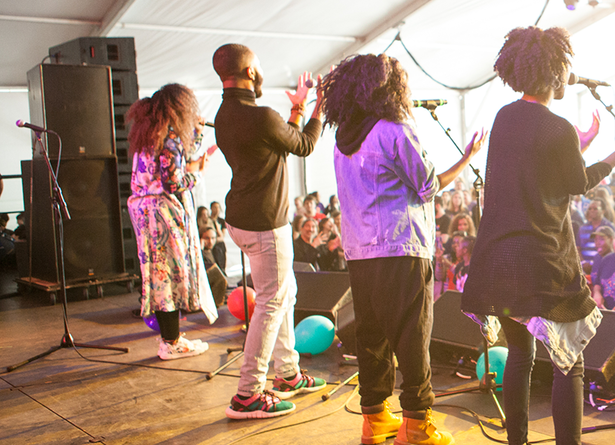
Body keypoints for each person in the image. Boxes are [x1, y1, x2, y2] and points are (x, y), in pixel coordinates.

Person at [461, 26, 615, 445]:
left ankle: (517, 443)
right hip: (542, 262)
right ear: (554, 71)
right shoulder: (558, 128)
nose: (571, 74)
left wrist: (577, 145)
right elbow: (578, 184)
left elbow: (536, 171)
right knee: (571, 363)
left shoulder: (504, 117)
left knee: (520, 356)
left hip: (498, 260)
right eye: (567, 67)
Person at [326, 54, 485, 445]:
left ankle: (376, 419)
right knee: (413, 336)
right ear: (388, 87)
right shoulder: (393, 129)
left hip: (360, 252)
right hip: (400, 247)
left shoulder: (343, 137)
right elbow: (428, 185)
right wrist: (466, 159)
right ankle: (416, 424)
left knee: (372, 338)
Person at [213, 44, 326, 419]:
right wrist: (318, 107)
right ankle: (248, 394)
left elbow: (282, 140)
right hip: (265, 224)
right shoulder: (260, 116)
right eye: (257, 67)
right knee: (271, 303)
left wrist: (297, 108)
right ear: (249, 72)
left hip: (241, 219)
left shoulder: (225, 115)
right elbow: (304, 144)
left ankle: (288, 373)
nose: (260, 72)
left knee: (284, 295)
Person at [124, 83, 213, 360]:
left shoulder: (151, 136)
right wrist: (198, 174)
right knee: (169, 278)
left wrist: (196, 134)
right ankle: (171, 343)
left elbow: (177, 157)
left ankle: (170, 339)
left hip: (144, 212)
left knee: (158, 276)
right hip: (163, 215)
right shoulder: (170, 139)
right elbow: (174, 181)